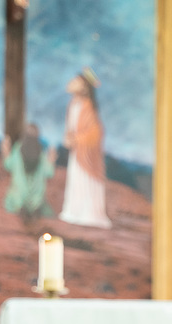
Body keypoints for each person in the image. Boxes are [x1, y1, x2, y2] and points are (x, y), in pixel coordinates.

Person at [59, 68, 112, 228]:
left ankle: (89, 214)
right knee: (76, 181)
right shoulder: (73, 104)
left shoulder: (87, 106)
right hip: (77, 152)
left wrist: (76, 139)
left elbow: (96, 132)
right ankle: (74, 212)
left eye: (77, 81)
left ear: (84, 86)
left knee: (86, 182)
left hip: (87, 154)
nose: (72, 83)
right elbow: (71, 127)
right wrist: (69, 138)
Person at [0, 124, 57, 224]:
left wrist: (5, 150)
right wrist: (52, 159)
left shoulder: (18, 149)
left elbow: (8, 165)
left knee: (11, 200)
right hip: (36, 201)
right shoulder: (41, 153)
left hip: (18, 198)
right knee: (43, 206)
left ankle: (21, 208)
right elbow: (50, 173)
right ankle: (34, 209)